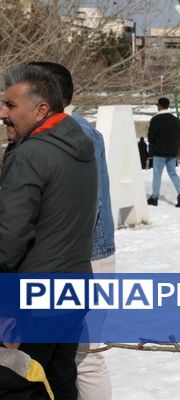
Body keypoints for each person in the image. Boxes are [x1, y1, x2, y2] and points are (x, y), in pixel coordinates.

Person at [0, 64, 98, 399]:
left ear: (41, 109)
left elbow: (9, 236)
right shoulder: (81, 146)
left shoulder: (31, 154)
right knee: (58, 379)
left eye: (11, 106)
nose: (3, 113)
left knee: (18, 384)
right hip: (73, 287)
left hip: (33, 295)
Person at [29, 61, 116, 400]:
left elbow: (82, 208)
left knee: (85, 355)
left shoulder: (76, 135)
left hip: (84, 260)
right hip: (73, 260)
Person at [147, 97, 180, 207]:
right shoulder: (175, 120)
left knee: (157, 175)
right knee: (173, 173)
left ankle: (154, 197)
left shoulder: (156, 119)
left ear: (159, 106)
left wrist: (154, 145)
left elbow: (151, 137)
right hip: (173, 151)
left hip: (159, 151)